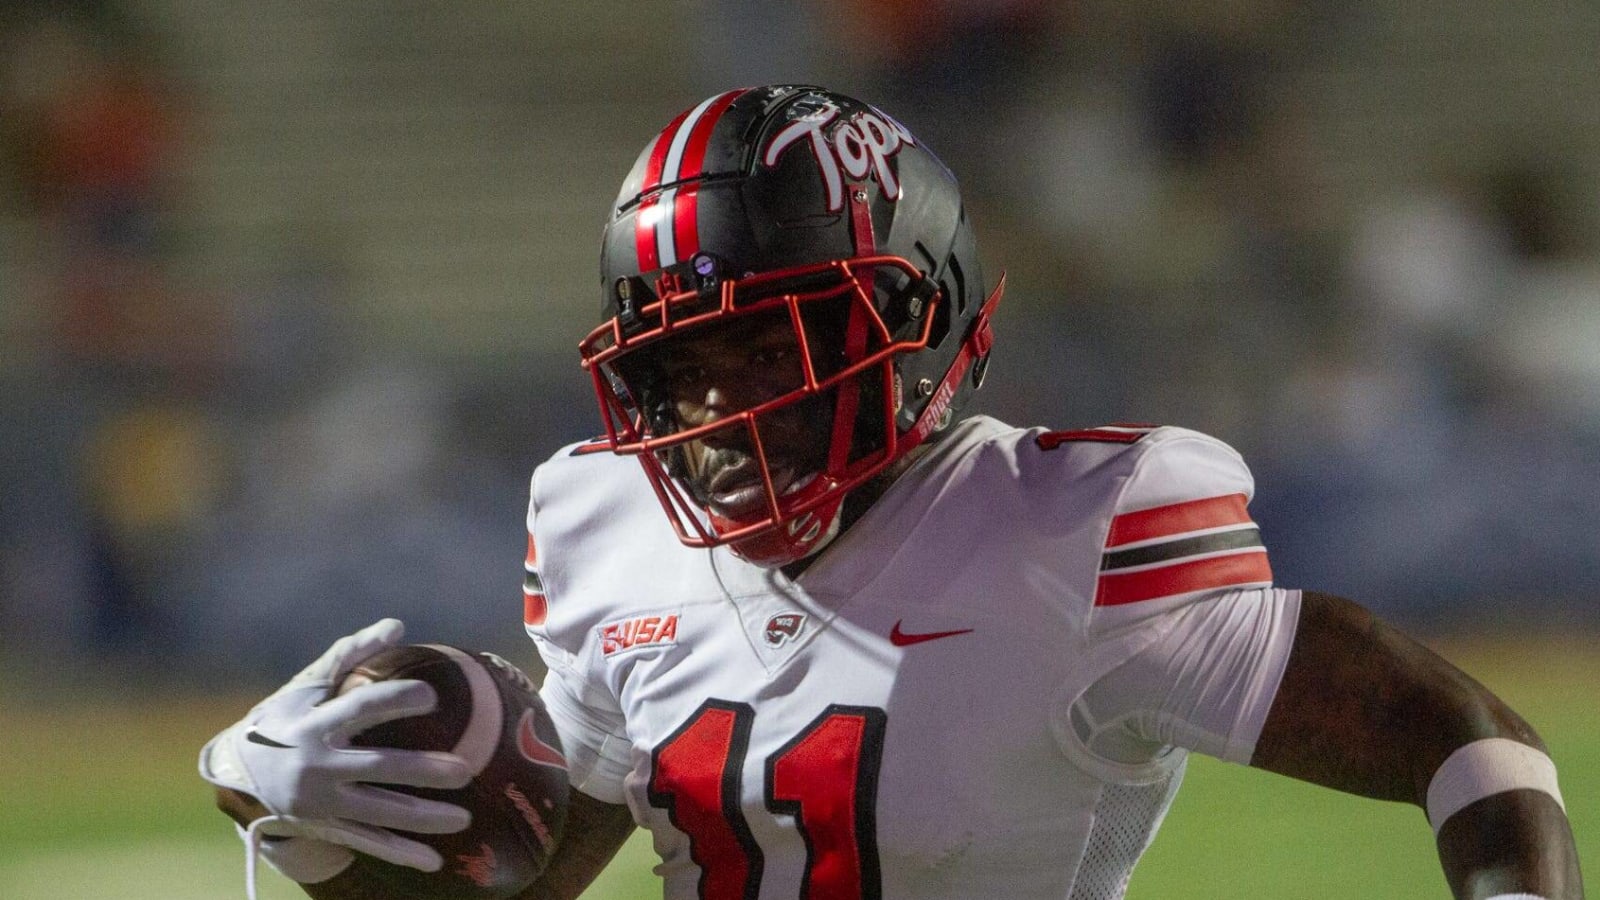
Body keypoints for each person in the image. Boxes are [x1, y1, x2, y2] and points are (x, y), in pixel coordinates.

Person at [200, 85, 1584, 900]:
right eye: (680, 366)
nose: (719, 412)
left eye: (769, 352)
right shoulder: (600, 521)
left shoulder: (1072, 531)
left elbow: (1457, 733)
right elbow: (541, 861)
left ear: (916, 327)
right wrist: (303, 812)